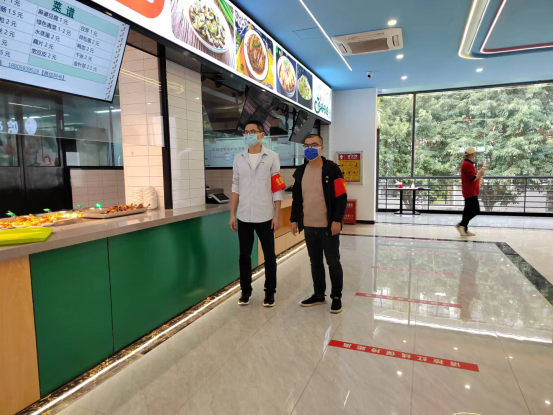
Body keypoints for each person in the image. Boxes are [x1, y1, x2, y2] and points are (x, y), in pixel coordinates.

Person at [230, 120, 286, 307]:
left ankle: (270, 292)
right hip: (244, 215)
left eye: (252, 131)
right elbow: (235, 187)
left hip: (265, 215)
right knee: (244, 256)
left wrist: (277, 215)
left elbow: (277, 188)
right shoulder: (238, 158)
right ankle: (245, 291)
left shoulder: (271, 157)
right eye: (246, 132)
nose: (248, 135)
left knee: (269, 256)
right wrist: (232, 213)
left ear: (262, 135)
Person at [290, 134, 347, 314]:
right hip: (309, 225)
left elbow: (341, 196)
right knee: (315, 262)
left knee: (333, 262)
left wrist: (337, 220)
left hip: (328, 226)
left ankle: (336, 297)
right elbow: (296, 198)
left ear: (322, 148)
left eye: (314, 144)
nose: (310, 148)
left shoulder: (332, 168)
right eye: (306, 145)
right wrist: (294, 220)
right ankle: (319, 295)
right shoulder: (300, 171)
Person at [455, 146, 484, 237]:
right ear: (472, 154)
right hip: (470, 191)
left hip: (470, 191)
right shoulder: (467, 164)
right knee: (475, 210)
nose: (475, 154)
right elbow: (472, 178)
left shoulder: (467, 164)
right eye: (474, 153)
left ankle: (464, 228)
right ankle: (462, 225)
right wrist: (479, 174)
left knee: (468, 210)